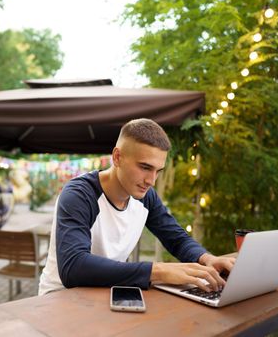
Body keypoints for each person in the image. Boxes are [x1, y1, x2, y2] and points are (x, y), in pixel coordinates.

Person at [39, 118, 235, 296]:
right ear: (117, 157)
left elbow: (176, 238)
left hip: (105, 294)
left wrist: (207, 258)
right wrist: (157, 271)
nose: (151, 181)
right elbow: (73, 268)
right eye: (145, 167)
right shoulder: (78, 195)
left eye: (158, 171)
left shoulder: (145, 196)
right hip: (60, 298)